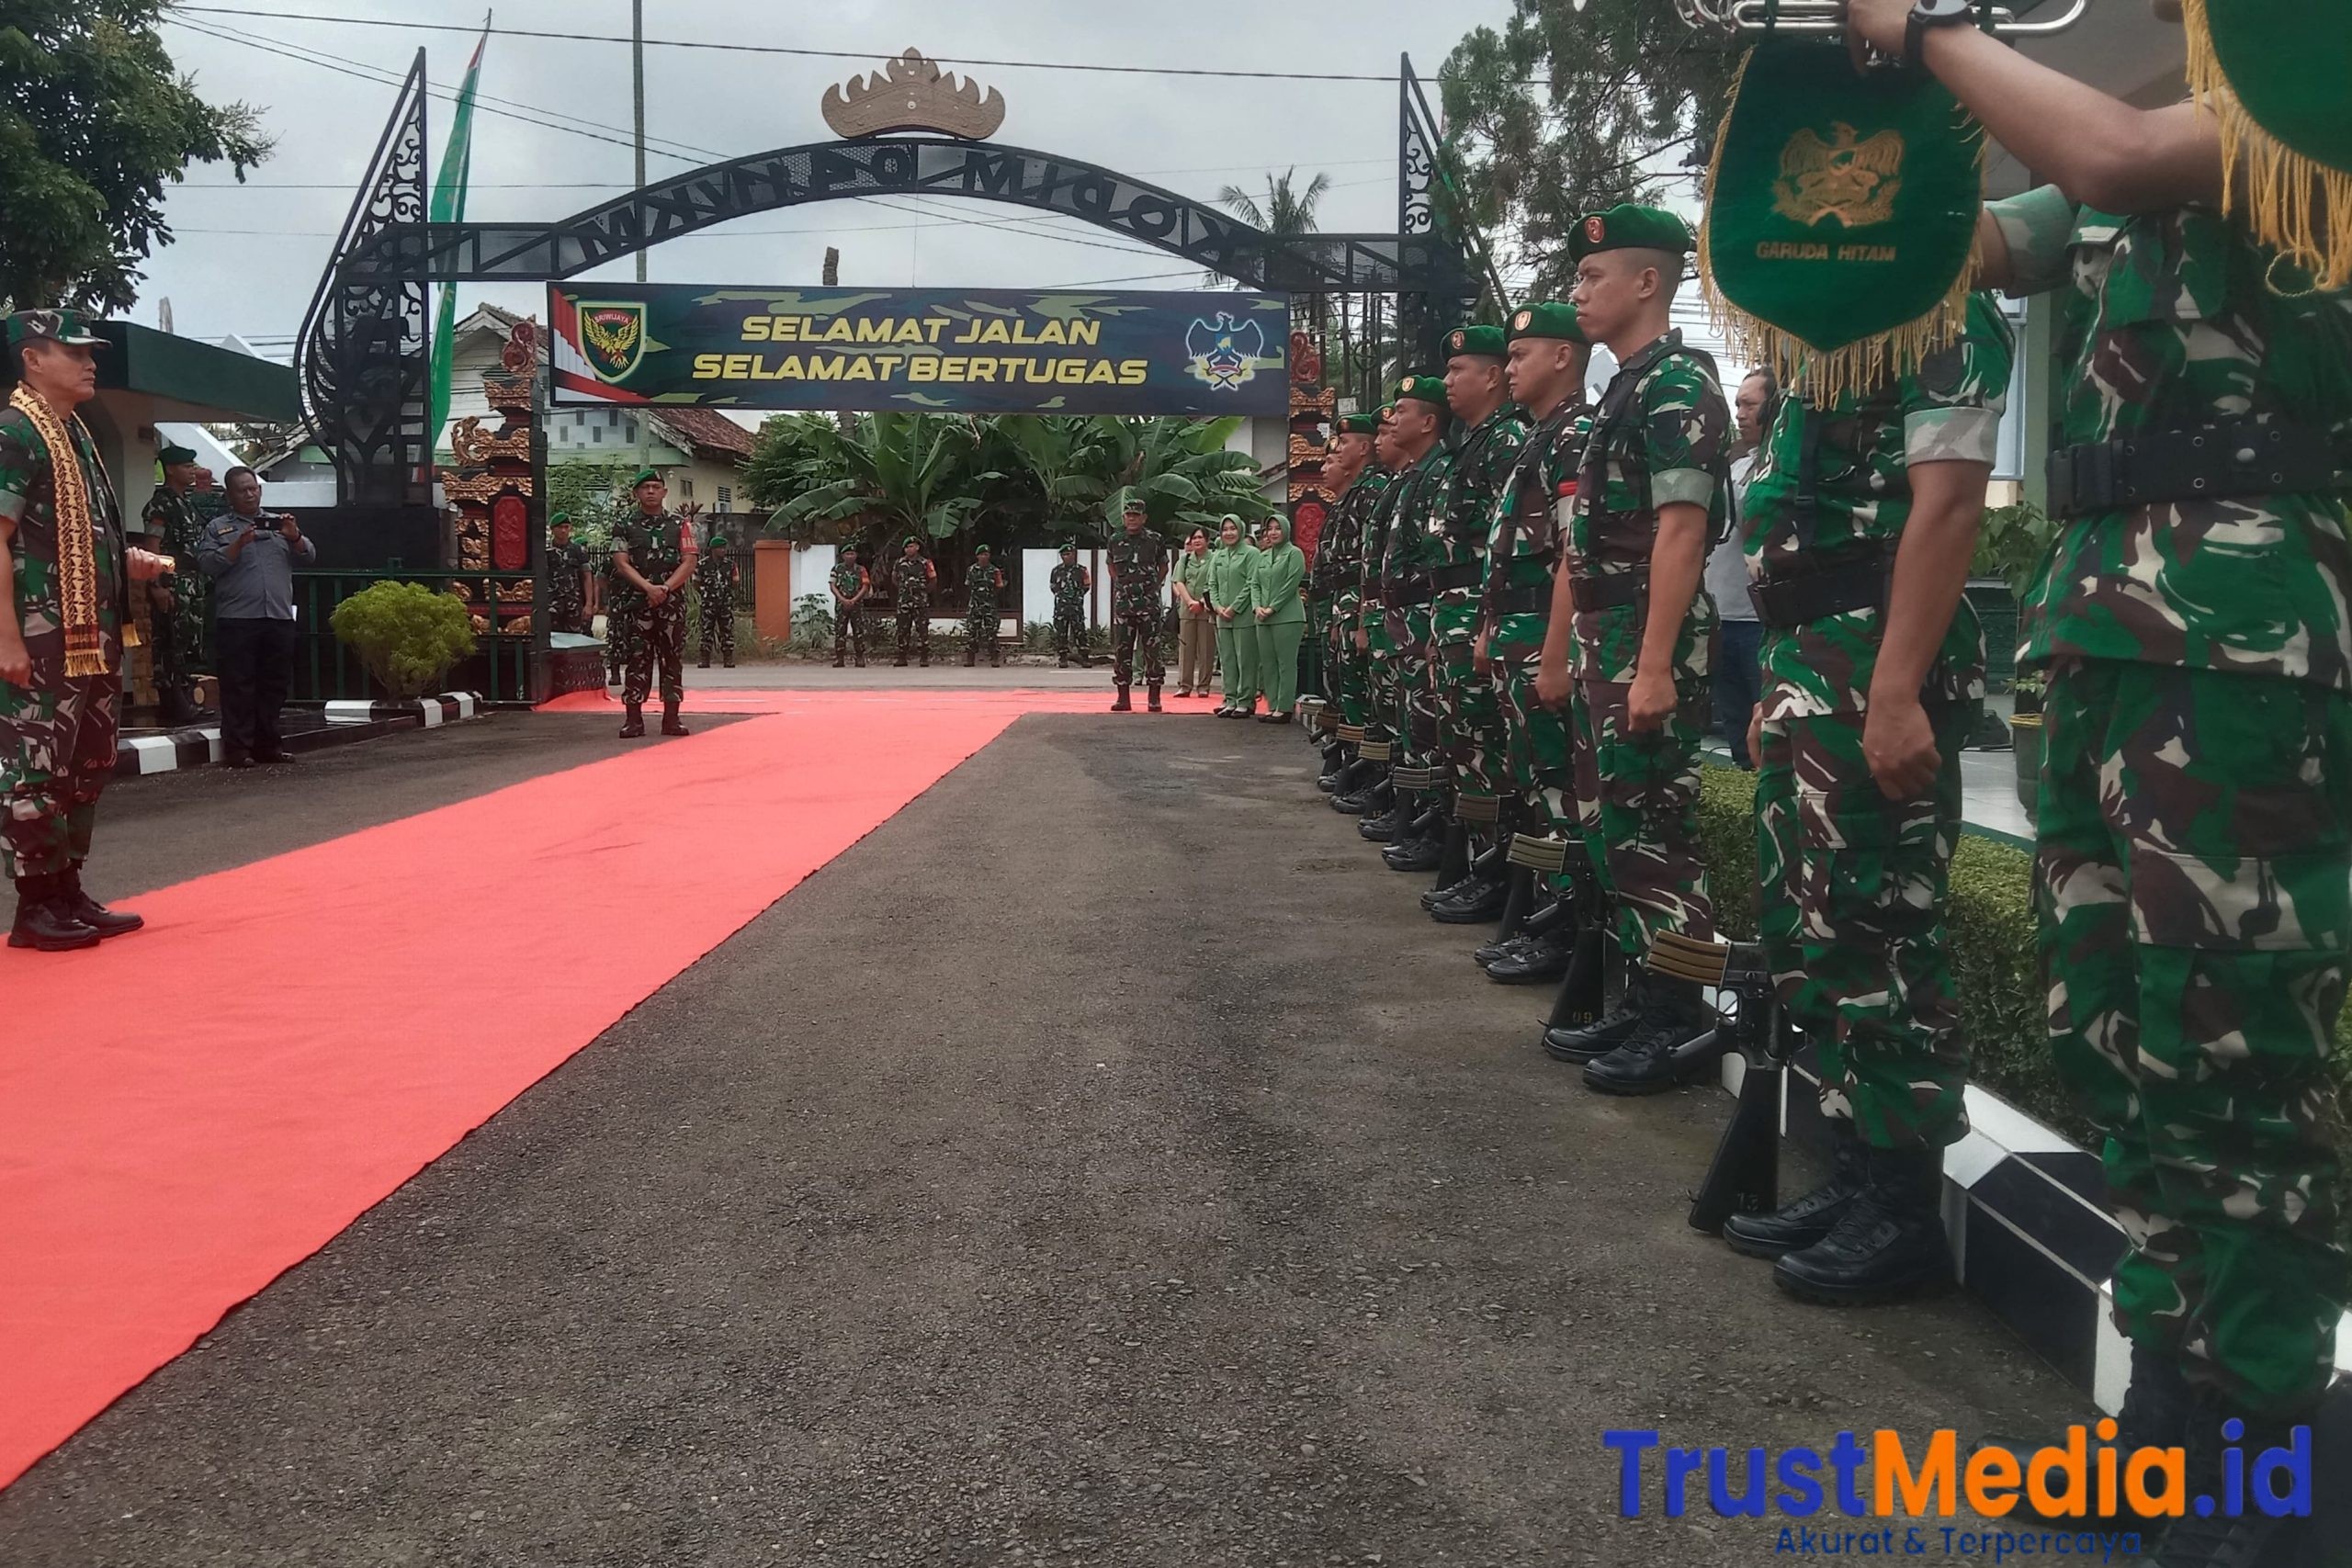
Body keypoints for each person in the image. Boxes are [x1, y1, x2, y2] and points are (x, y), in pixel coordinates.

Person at [1849, 1, 2352, 1551]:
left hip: (2246, 636)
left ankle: (2265, 1460)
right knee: (2122, 1033)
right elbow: (1978, 250)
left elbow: (2118, 147)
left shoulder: (2301, 106)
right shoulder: (2186, 125)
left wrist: (1925, 27)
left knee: (2242, 1050)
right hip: (2106, 619)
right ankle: (2170, 1426)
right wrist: (1849, 149)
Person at [1723, 296, 2011, 1306]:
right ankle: (1857, 1176)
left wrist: (1892, 691)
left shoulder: (1937, 318)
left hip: (1873, 651)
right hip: (1812, 656)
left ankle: (1902, 1209)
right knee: (1811, 925)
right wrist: (1776, 685)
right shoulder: (1829, 341)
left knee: (1878, 922)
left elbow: (1946, 507)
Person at [1536, 204, 1729, 1095]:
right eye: (1576, 279)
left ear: (1647, 282)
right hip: (1605, 633)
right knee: (1613, 827)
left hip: (1645, 633)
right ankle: (1647, 993)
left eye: (1592, 276)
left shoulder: (1678, 385)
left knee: (1654, 833)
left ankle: (1679, 1019)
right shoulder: (1626, 385)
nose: (1578, 292)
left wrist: (1652, 665)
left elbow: (1681, 533)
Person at [1, 309, 172, 950]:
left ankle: (67, 889)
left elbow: (80, 538)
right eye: (72, 350)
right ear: (32, 358)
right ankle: (35, 904)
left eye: (90, 350)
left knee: (87, 761)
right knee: (34, 765)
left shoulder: (74, 437)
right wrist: (5, 637)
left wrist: (128, 561)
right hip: (39, 635)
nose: (89, 360)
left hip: (89, 632)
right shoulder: (16, 432)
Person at [1474, 300, 1597, 987]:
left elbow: (1569, 558)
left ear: (1562, 357)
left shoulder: (1575, 435)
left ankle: (1565, 930)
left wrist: (1553, 656)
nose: (1509, 366)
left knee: (1559, 794)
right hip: (1516, 634)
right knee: (1534, 787)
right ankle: (1547, 921)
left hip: (1546, 641)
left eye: (1521, 355)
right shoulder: (1540, 437)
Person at [1422, 323, 1532, 911]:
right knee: (1466, 748)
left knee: (1490, 754)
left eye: (1457, 371)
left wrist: (1487, 621)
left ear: (1489, 376)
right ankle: (1481, 864)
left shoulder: (1508, 441)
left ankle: (1496, 875)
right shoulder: (1474, 445)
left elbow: (1506, 547)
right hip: (1457, 616)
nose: (1448, 382)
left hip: (1483, 617)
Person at [1371, 374, 1459, 872]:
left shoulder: (1440, 471)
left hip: (1432, 620)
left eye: (1401, 412)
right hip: (1410, 621)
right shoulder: (1415, 479)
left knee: (1432, 735)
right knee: (1411, 727)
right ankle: (1419, 821)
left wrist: (1428, 628)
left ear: (1427, 422)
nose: (1393, 420)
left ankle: (1439, 835)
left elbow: (1437, 560)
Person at [198, 466, 317, 770]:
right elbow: (208, 564)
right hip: (238, 619)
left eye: (254, 488)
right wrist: (237, 545)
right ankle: (238, 750)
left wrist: (295, 537)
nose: (250, 494)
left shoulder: (279, 523)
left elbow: (309, 556)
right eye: (243, 490)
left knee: (274, 685)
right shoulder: (218, 528)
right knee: (239, 685)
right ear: (230, 495)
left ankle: (269, 746)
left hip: (277, 617)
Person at [1314, 412, 1387, 791]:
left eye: (1343, 445)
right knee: (1344, 694)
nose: (1336, 453)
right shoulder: (1349, 499)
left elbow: (1369, 564)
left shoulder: (1372, 491)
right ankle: (1351, 764)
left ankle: (1366, 776)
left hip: (1357, 606)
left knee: (1362, 698)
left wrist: (1360, 618)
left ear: (1364, 447)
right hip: (1340, 607)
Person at [1706, 368, 1774, 768]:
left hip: (1757, 619)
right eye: (1737, 405)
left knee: (1763, 725)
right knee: (1734, 723)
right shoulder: (1733, 465)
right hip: (1721, 615)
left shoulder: (1779, 465)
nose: (1740, 414)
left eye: (1750, 404)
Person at [609, 468, 697, 739]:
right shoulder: (624, 524)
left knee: (672, 660)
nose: (650, 491)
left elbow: (690, 560)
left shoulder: (681, 524)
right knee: (637, 660)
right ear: (637, 493)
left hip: (670, 604)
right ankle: (633, 720)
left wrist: (666, 588)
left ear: (664, 492)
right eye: (645, 487)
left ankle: (672, 719)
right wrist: (647, 587)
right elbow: (620, 561)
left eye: (655, 487)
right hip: (637, 604)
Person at [141, 442, 209, 724]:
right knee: (169, 647)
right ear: (170, 469)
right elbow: (152, 547)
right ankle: (173, 706)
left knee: (188, 646)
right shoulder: (161, 504)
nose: (191, 471)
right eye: (185, 466)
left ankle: (187, 700)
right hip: (172, 586)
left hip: (191, 587)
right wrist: (157, 586)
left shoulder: (187, 504)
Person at [1104, 497, 1169, 713]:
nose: (1132, 519)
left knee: (1152, 651)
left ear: (1144, 518)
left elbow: (1163, 566)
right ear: (1123, 517)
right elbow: (1111, 565)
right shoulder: (1115, 540)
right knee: (1122, 650)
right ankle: (1123, 698)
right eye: (1128, 515)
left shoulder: (1155, 539)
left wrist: (1153, 587)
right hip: (1124, 605)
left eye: (1136, 515)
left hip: (1149, 606)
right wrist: (1120, 586)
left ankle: (1154, 697)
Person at [1250, 516, 1307, 723]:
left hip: (1287, 616)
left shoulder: (1294, 554)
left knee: (1286, 663)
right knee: (1267, 664)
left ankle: (1284, 707)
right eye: (1270, 529)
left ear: (1286, 530)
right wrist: (1257, 607)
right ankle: (1272, 705)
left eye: (1277, 529)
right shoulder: (1263, 557)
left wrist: (1272, 607)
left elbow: (1291, 584)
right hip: (1262, 617)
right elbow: (1254, 584)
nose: (1273, 533)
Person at [1206, 514, 1260, 717]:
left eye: (1233, 528)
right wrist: (1218, 607)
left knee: (1245, 658)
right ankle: (1230, 699)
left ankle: (1245, 700)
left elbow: (1251, 583)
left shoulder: (1251, 554)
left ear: (1241, 530)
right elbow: (1212, 585)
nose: (1229, 533)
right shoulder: (1218, 556)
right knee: (1227, 659)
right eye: (1225, 529)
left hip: (1243, 615)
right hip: (1222, 616)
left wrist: (1235, 607)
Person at [1170, 528, 1215, 695]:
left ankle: (1203, 686)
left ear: (1207, 540)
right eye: (1194, 538)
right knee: (1186, 648)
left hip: (1206, 609)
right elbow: (1178, 581)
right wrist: (1189, 601)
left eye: (1200, 537)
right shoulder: (1185, 560)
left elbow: (1214, 582)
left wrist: (1202, 602)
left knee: (1206, 649)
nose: (1196, 541)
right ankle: (1184, 685)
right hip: (1187, 609)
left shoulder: (1214, 559)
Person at [694, 525, 738, 670]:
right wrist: (705, 594)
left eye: (724, 548)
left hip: (725, 603)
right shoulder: (702, 565)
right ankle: (704, 659)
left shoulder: (730, 565)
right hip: (708, 604)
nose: (723, 551)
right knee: (706, 631)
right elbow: (696, 582)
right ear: (713, 549)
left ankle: (728, 659)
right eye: (720, 548)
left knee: (727, 631)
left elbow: (736, 581)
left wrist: (728, 593)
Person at [890, 536, 935, 667]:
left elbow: (933, 580)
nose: (910, 549)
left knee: (922, 629)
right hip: (904, 600)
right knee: (903, 629)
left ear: (917, 547)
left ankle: (924, 657)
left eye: (912, 546)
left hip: (920, 601)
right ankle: (902, 657)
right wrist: (903, 590)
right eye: (907, 547)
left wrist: (924, 592)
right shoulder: (899, 563)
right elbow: (894, 579)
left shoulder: (925, 563)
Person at [1049, 542, 1094, 670]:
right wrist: (1062, 597)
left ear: (1074, 554)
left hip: (1076, 607)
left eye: (1068, 554)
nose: (1066, 557)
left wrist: (1076, 597)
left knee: (1080, 632)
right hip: (1061, 607)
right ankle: (1063, 658)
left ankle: (1084, 657)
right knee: (1061, 632)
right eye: (1063, 555)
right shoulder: (1056, 570)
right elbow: (1053, 587)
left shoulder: (1081, 570)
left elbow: (1086, 586)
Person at [547, 512, 591, 637]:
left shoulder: (578, 550)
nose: (563, 531)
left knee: (575, 638)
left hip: (574, 603)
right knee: (551, 638)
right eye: (560, 527)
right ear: (552, 529)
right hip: (552, 603)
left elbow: (587, 577)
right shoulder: (545, 551)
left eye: (566, 527)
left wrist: (589, 604)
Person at [961, 542, 1005, 667]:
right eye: (981, 555)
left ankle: (994, 658)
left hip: (989, 605)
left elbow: (999, 586)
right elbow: (968, 586)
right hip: (975, 605)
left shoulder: (995, 570)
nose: (984, 557)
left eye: (986, 554)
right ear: (977, 556)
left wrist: (989, 597)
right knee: (972, 632)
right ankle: (970, 658)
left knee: (991, 632)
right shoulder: (971, 570)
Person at [829, 543, 869, 668]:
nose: (850, 556)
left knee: (859, 631)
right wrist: (843, 600)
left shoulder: (861, 570)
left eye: (852, 554)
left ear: (856, 555)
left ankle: (860, 657)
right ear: (843, 556)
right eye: (847, 554)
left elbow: (865, 586)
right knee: (840, 631)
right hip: (841, 605)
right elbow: (832, 585)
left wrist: (854, 600)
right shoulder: (836, 569)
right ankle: (839, 658)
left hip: (857, 605)